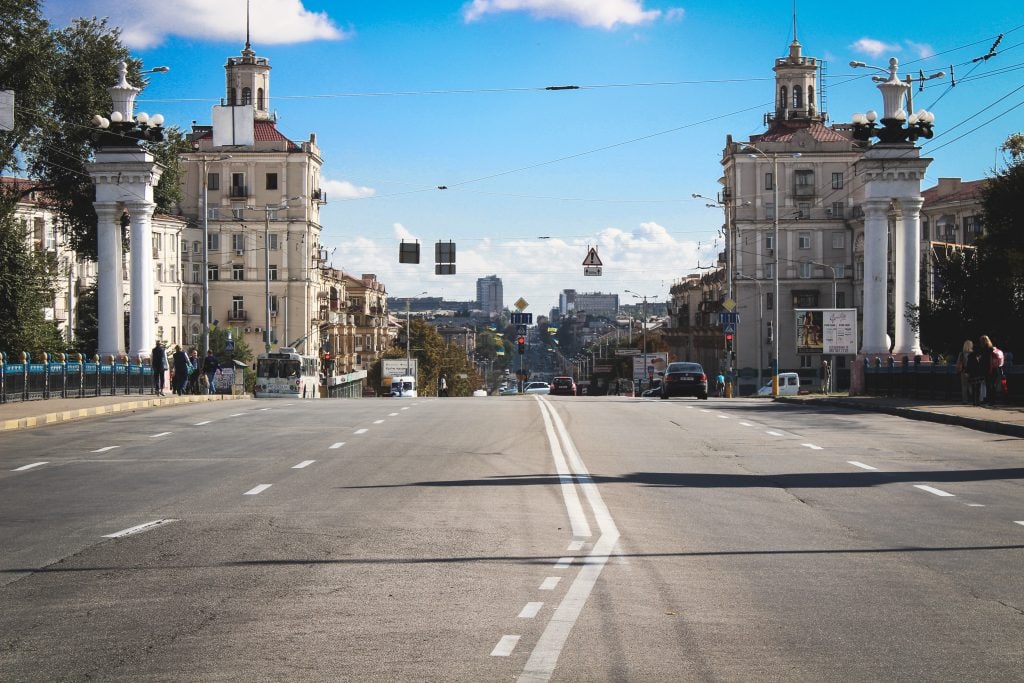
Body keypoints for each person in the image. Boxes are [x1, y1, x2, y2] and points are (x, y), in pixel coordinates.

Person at [954, 340, 974, 404]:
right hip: (972, 371)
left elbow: (958, 363)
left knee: (964, 386)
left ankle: (965, 401)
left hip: (963, 371)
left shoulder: (961, 354)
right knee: (971, 385)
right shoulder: (973, 353)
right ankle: (973, 399)